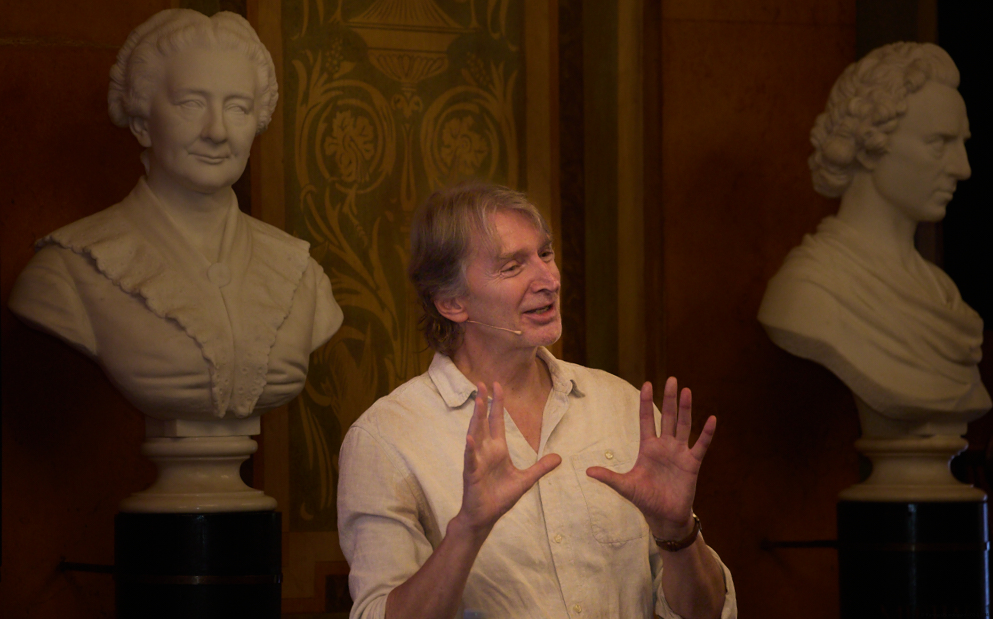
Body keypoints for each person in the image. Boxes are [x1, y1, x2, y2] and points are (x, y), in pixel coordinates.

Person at [337, 182, 735, 619]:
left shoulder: (621, 407)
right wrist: (468, 531)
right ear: (451, 302)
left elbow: (707, 614)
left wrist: (677, 533)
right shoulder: (385, 439)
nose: (549, 280)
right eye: (512, 266)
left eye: (545, 254)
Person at [8, 9, 343, 431]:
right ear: (142, 122)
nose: (217, 131)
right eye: (191, 104)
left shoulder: (301, 274)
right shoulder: (69, 271)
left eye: (237, 108)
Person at [758, 42, 989, 436]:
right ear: (869, 142)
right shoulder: (809, 292)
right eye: (939, 144)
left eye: (962, 145)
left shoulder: (941, 294)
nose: (962, 168)